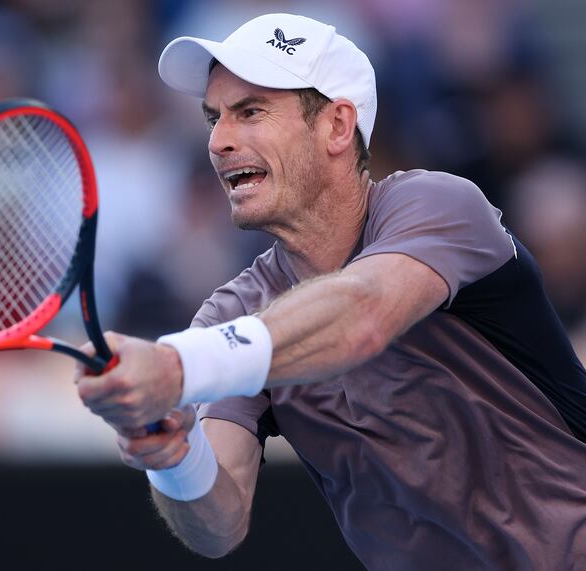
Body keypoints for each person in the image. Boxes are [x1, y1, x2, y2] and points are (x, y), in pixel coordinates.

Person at [74, 13, 586, 570]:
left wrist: (174, 366)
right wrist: (172, 455)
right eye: (213, 118)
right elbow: (218, 525)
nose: (218, 141)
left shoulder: (439, 204)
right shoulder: (233, 312)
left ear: (338, 127)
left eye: (250, 112)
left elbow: (360, 315)